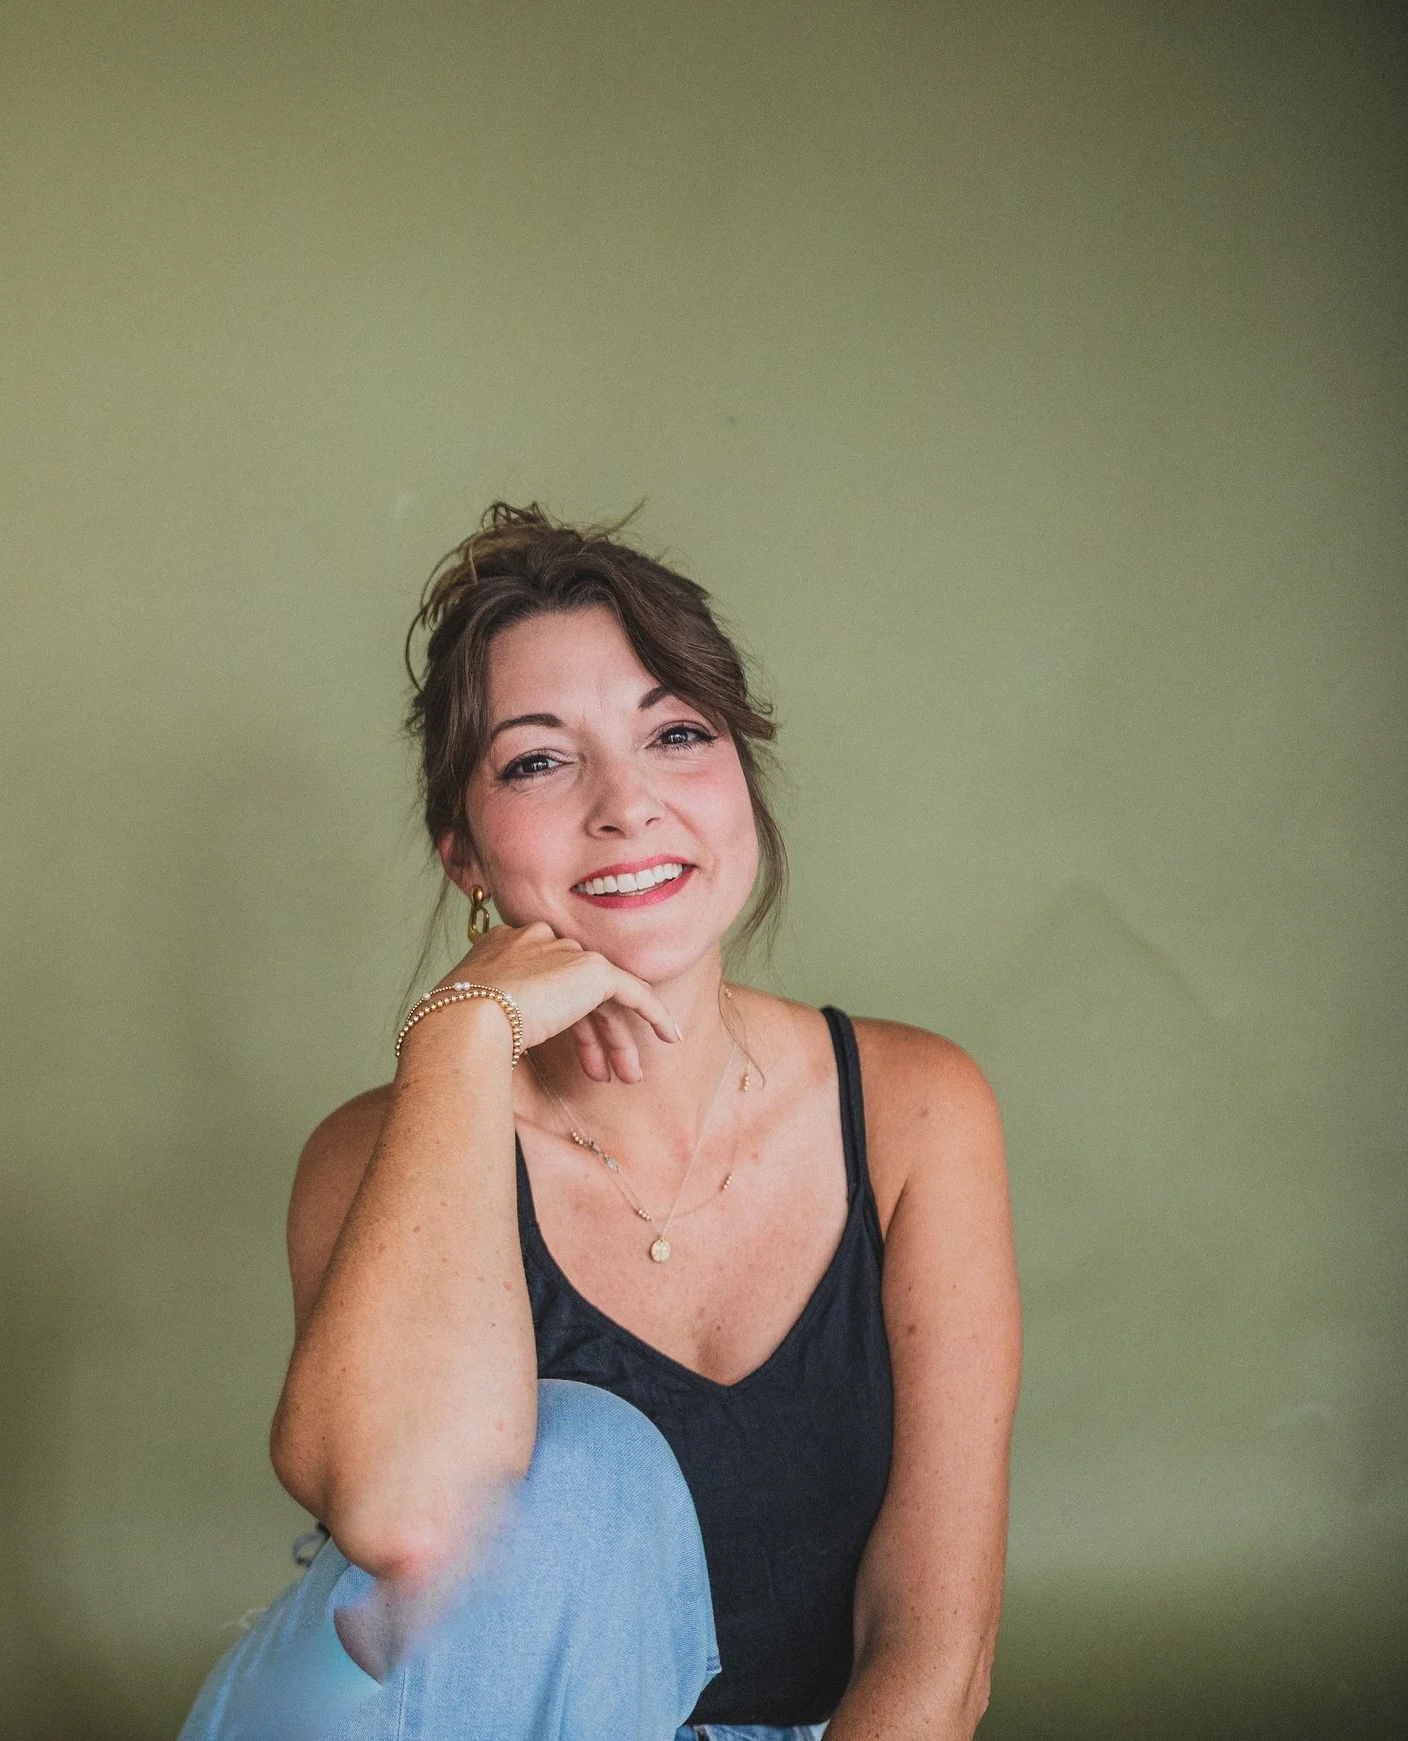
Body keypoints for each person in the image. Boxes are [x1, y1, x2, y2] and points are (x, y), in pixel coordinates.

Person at [180, 505, 1021, 1741]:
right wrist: (460, 1040)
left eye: (676, 734)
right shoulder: (376, 1150)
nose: (626, 804)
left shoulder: (915, 1112)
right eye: (537, 759)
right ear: (461, 852)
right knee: (582, 1466)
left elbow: (934, 1656)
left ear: (741, 779)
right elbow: (400, 1514)